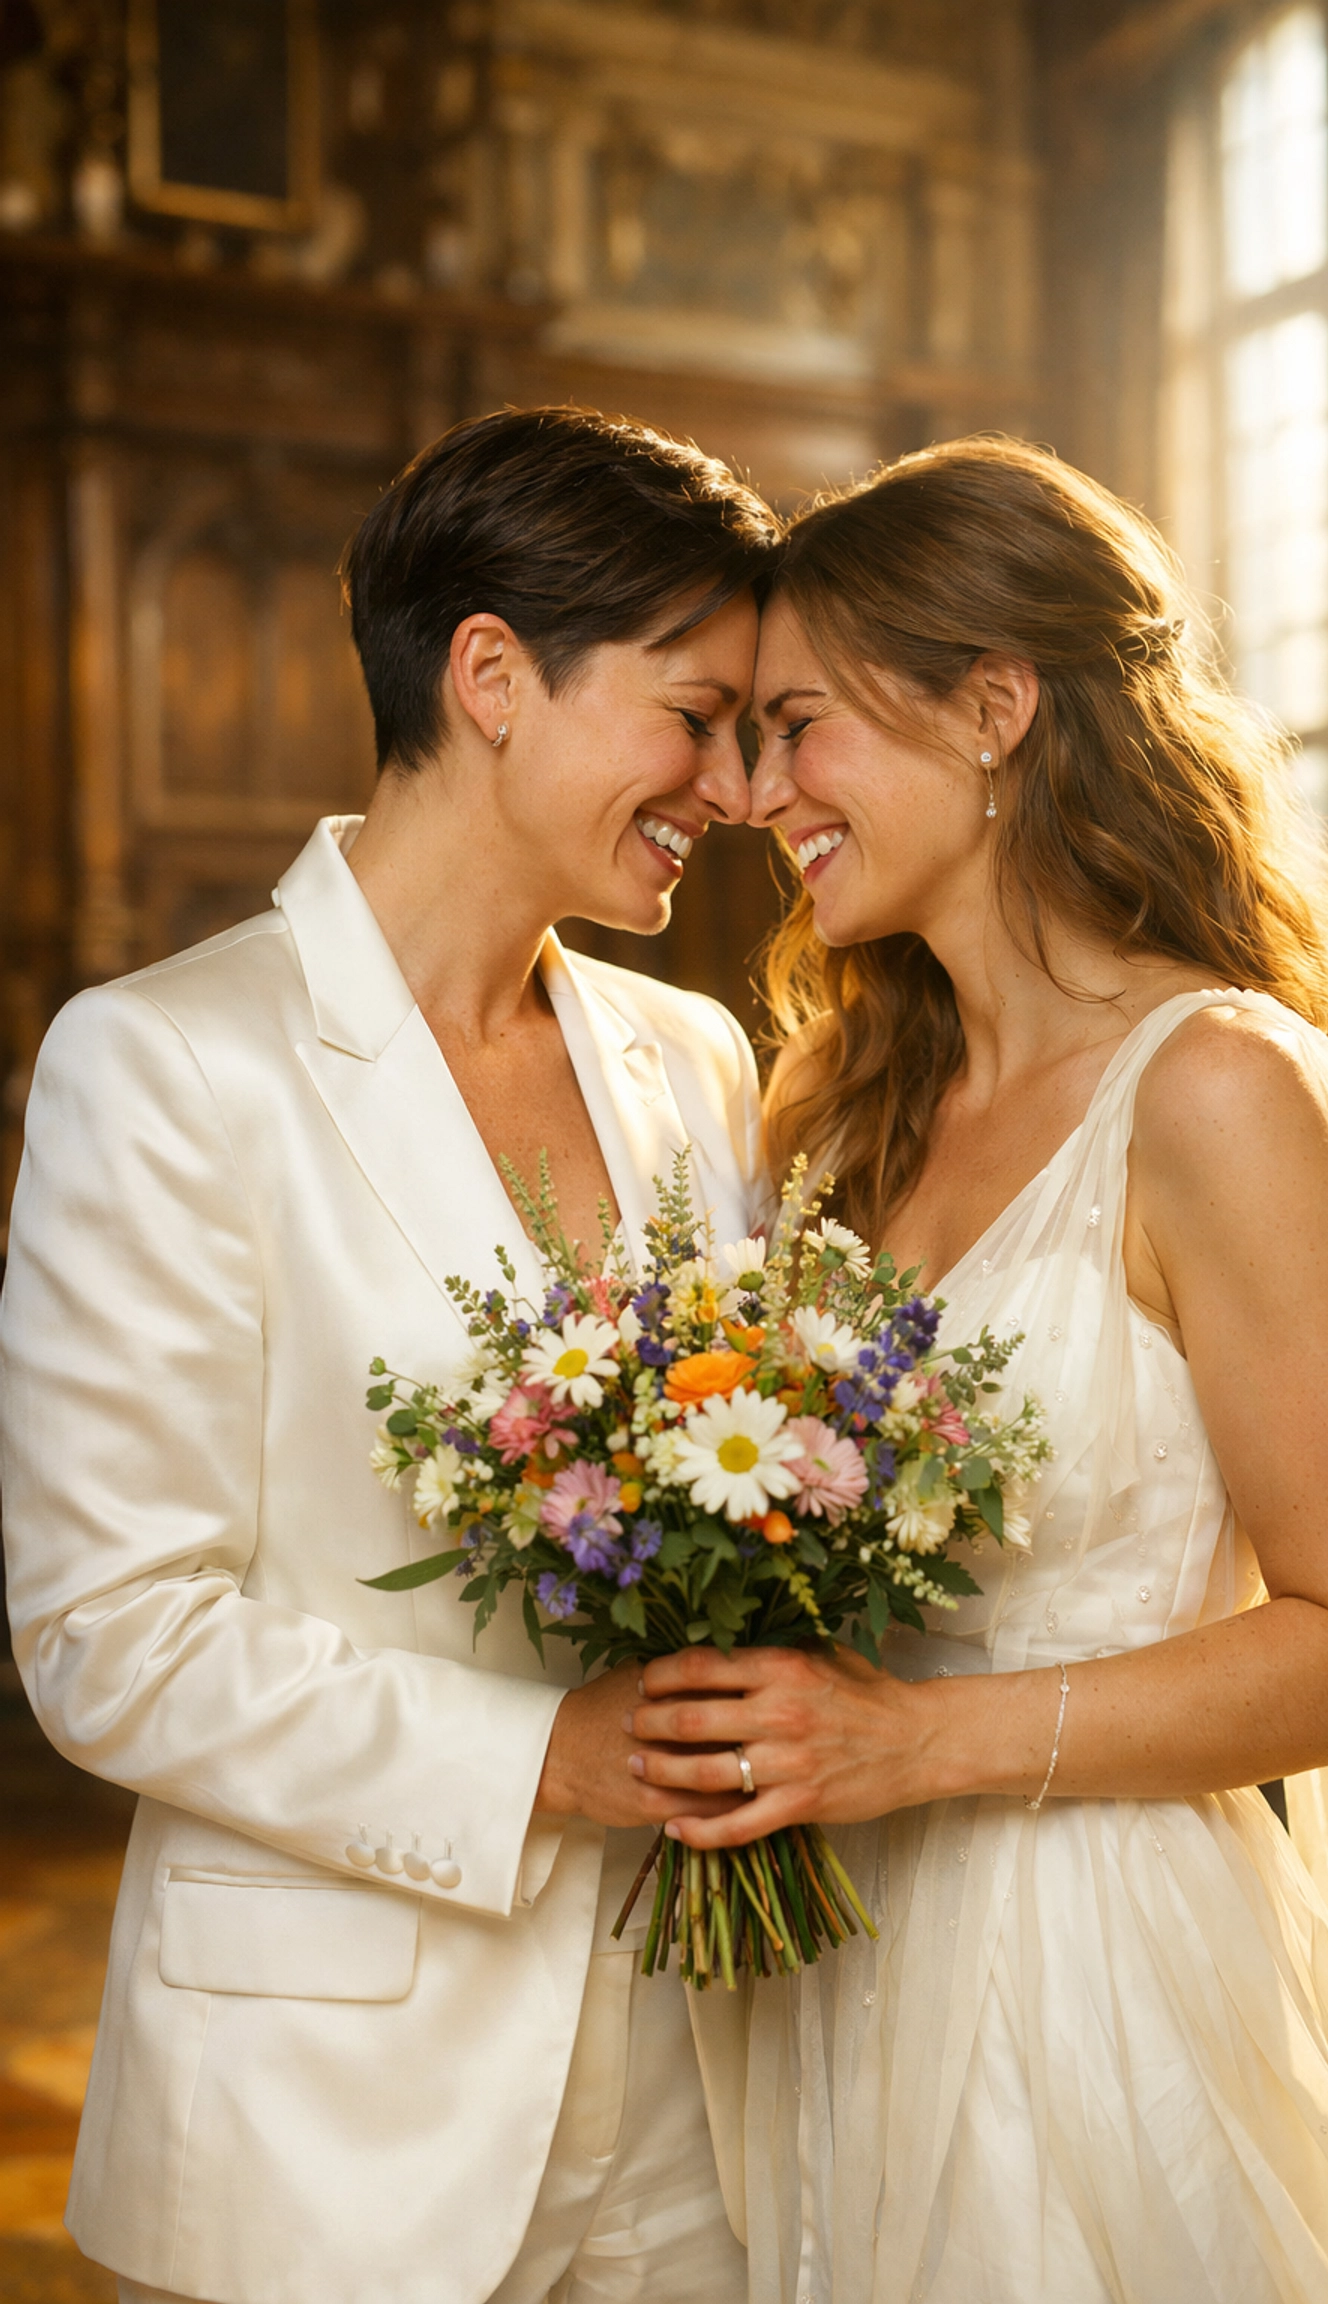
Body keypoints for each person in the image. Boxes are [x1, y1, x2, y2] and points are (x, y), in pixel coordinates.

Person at [628, 437, 1328, 2301]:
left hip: (1092, 1983)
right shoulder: (833, 1110)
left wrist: (909, 1745)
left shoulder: (1217, 1092)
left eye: (800, 726)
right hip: (818, 1973)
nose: (753, 792)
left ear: (993, 705)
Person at [0, 405, 777, 2304]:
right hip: (324, 2114)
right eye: (695, 715)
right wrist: (550, 1764)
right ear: (493, 677)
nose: (736, 785)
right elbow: (114, 1634)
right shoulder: (167, 1062)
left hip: (706, 2088)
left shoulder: (696, 1062)